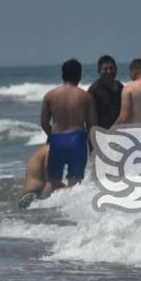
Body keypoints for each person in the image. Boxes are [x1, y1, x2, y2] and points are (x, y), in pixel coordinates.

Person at [40, 59, 97, 197]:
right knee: (75, 182)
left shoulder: (50, 95)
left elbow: (43, 122)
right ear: (79, 75)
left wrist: (51, 135)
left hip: (57, 140)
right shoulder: (85, 97)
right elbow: (92, 125)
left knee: (52, 182)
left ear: (63, 75)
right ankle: (70, 212)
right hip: (77, 139)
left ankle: (40, 210)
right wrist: (92, 146)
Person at [87, 55, 123, 129]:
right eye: (105, 69)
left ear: (116, 69)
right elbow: (90, 119)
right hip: (102, 134)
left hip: (120, 133)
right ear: (99, 71)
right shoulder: (94, 90)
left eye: (111, 68)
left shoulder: (120, 87)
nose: (109, 72)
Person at [18, 143, 49, 209]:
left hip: (28, 197)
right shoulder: (49, 149)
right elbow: (50, 178)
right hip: (33, 198)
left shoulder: (42, 150)